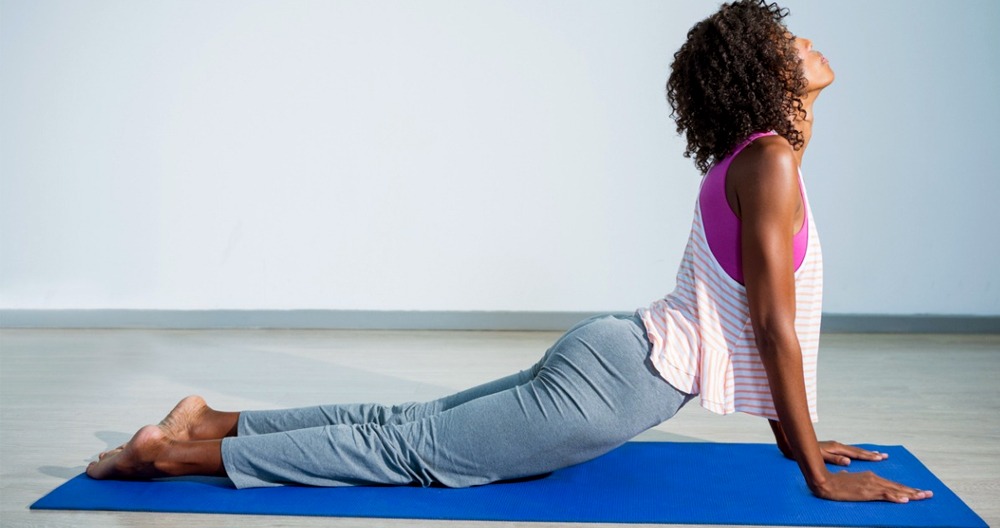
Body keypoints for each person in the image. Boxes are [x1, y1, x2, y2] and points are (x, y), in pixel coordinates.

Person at [88, 0, 932, 503]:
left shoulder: (760, 158)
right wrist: (815, 473)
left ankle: (210, 420)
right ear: (763, 75)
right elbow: (772, 330)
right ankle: (169, 454)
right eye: (789, 43)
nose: (808, 44)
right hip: (616, 383)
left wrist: (797, 443)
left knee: (407, 425)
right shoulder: (769, 163)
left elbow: (759, 321)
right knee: (411, 452)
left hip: (614, 353)